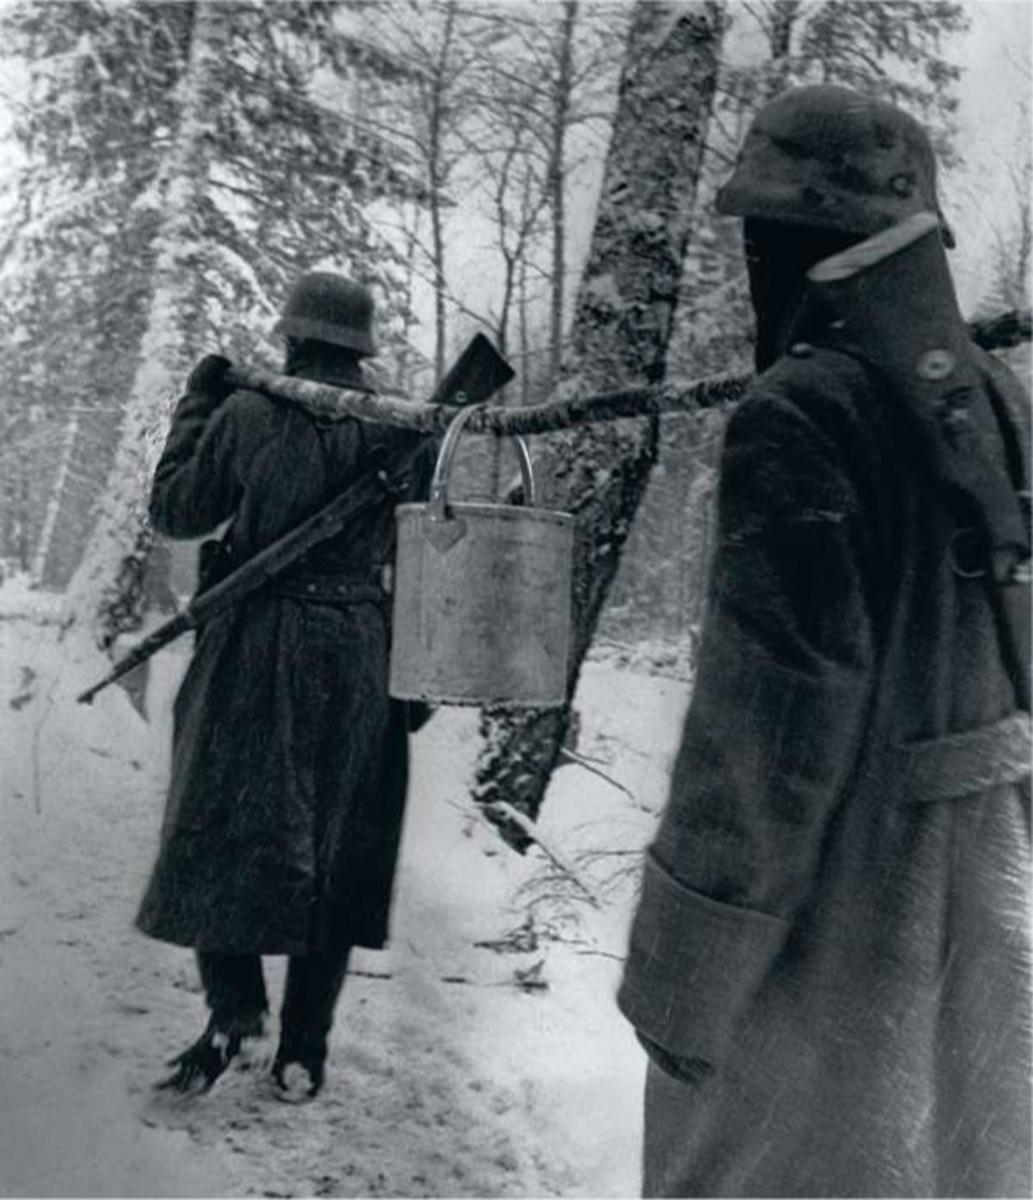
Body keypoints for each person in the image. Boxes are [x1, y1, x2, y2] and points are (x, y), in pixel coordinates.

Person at [618, 85, 1031, 1197]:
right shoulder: (997, 397)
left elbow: (766, 728)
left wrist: (686, 974)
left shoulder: (799, 413)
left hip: (833, 909)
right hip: (984, 896)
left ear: (794, 241)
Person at [136, 272, 436, 1100]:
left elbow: (176, 511)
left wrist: (196, 406)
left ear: (293, 338)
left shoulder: (246, 411)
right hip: (359, 651)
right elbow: (426, 557)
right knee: (339, 849)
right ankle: (305, 1050)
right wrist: (408, 677)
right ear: (360, 347)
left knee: (214, 825)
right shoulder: (406, 429)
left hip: (256, 642)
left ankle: (232, 1015)